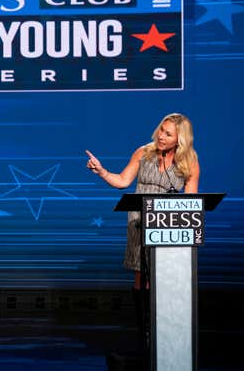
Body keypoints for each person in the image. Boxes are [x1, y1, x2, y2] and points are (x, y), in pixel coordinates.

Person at [85, 112, 200, 358]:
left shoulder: (188, 161)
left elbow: (192, 201)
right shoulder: (144, 152)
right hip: (139, 221)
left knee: (160, 279)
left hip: (167, 224)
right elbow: (123, 181)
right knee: (141, 275)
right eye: (161, 130)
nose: (161, 136)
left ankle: (165, 333)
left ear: (180, 140)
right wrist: (102, 171)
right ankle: (144, 333)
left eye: (168, 134)